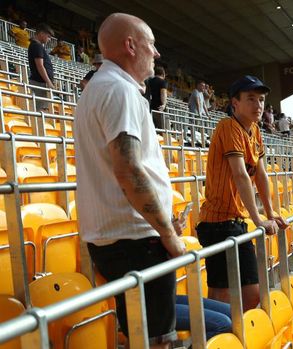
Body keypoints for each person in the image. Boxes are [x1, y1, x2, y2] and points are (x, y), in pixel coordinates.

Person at [74, 13, 185, 348]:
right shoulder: (118, 90)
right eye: (151, 44)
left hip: (125, 240)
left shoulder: (101, 87)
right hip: (137, 242)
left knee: (140, 336)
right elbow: (129, 170)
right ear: (130, 45)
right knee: (156, 341)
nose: (156, 53)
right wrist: (168, 234)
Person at [196, 75, 288, 312]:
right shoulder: (228, 127)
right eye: (251, 99)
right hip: (217, 222)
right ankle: (214, 338)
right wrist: (258, 219)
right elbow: (240, 174)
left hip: (235, 221)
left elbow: (261, 174)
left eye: (261, 100)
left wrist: (270, 212)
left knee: (251, 294)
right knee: (222, 293)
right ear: (234, 103)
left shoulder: (255, 130)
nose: (258, 105)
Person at [28, 23, 55, 111]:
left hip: (40, 82)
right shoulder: (37, 46)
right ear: (41, 34)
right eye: (48, 36)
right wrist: (49, 82)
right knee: (40, 110)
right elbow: (40, 66)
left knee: (42, 109)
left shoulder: (36, 45)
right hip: (39, 83)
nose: (49, 39)